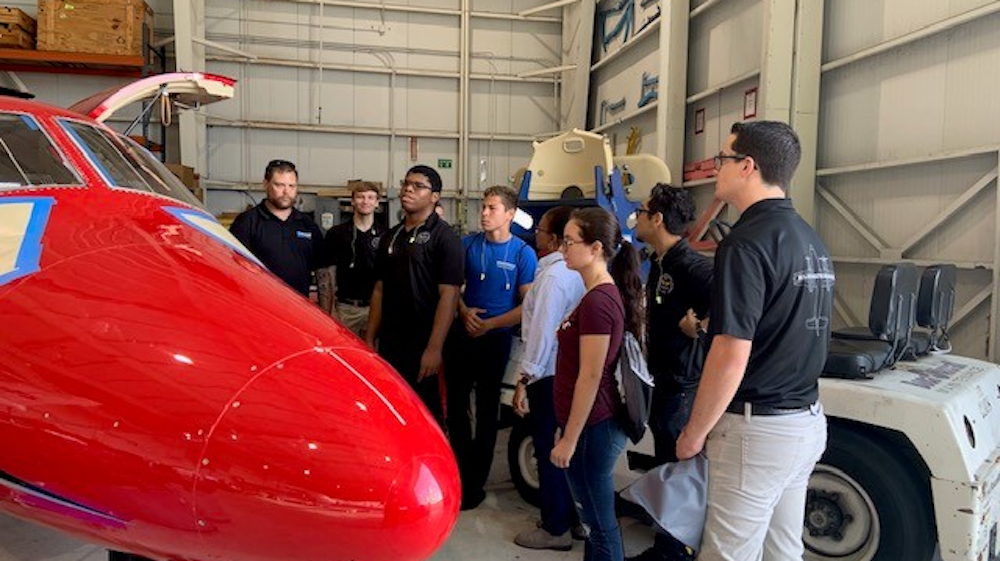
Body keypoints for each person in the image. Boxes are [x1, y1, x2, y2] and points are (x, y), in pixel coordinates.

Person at [676, 121, 833, 561]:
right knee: (782, 550)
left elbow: (731, 350)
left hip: (757, 430)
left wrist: (694, 431)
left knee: (727, 554)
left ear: (747, 166)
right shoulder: (810, 239)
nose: (715, 170)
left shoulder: (745, 244)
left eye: (722, 160)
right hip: (805, 421)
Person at [552, 207, 643, 561]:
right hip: (587, 427)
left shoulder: (599, 301)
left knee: (600, 528)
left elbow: (591, 375)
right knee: (594, 526)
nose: (563, 249)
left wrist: (570, 439)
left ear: (595, 249)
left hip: (594, 428)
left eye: (570, 241)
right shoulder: (594, 295)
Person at [627, 185, 713, 561]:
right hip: (662, 379)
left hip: (681, 384)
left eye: (643, 211)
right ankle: (667, 538)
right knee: (665, 461)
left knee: (678, 468)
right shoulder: (660, 262)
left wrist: (699, 326)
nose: (638, 218)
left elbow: (731, 307)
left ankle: (675, 551)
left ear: (657, 218)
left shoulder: (691, 265)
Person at [446, 185, 537, 510]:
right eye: (483, 207)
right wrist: (464, 311)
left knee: (486, 412)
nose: (484, 213)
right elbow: (451, 288)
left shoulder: (522, 254)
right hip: (462, 334)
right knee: (457, 409)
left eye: (492, 208)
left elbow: (528, 304)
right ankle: (457, 472)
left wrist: (491, 324)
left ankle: (474, 483)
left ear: (510, 214)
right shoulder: (467, 245)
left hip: (495, 340)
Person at [511, 206, 586, 550]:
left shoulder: (555, 277)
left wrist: (525, 378)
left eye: (540, 229)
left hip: (549, 375)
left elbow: (542, 333)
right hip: (566, 374)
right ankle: (572, 519)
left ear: (556, 239)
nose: (535, 233)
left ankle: (555, 527)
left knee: (549, 450)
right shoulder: (571, 273)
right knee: (565, 450)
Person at [366, 165, 463, 423]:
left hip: (423, 343)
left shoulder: (445, 238)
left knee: (425, 412)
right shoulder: (391, 236)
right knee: (391, 407)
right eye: (406, 183)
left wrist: (434, 348)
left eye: (418, 186)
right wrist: (370, 337)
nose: (408, 189)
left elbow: (449, 296)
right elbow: (379, 289)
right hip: (391, 341)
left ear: (435, 196)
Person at [229, 159, 324, 297]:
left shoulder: (308, 225)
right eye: (279, 185)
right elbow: (233, 268)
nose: (286, 191)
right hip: (260, 307)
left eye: (292, 186)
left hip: (298, 309)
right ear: (265, 184)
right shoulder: (246, 222)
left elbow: (322, 270)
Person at [318, 181, 382, 338]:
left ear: (377, 203)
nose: (365, 201)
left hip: (375, 309)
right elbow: (327, 273)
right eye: (360, 197)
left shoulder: (386, 235)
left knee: (373, 358)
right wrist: (328, 312)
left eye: (370, 197)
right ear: (352, 201)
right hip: (345, 309)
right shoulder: (336, 234)